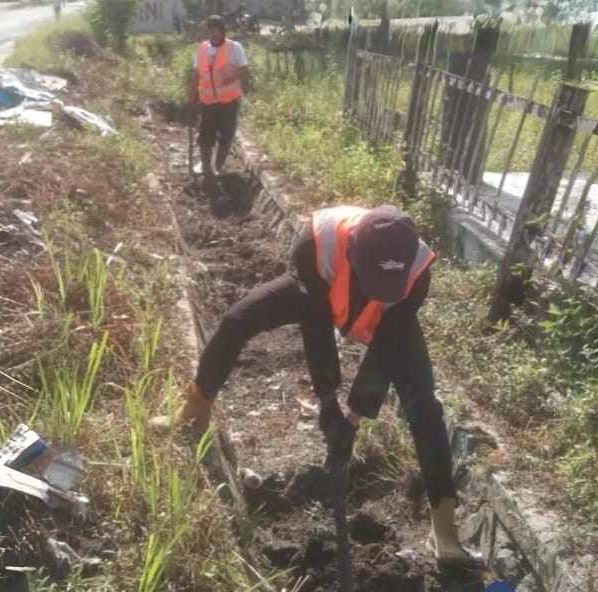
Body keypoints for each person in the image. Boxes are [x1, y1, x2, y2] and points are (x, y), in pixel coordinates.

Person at [152, 204, 478, 566]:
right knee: (235, 321)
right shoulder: (318, 243)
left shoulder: (417, 273)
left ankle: (444, 529)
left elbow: (384, 353)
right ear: (353, 251)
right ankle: (193, 411)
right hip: (320, 296)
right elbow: (316, 327)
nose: (379, 293)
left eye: (388, 286)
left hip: (386, 328)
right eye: (373, 280)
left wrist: (351, 422)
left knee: (426, 410)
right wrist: (327, 401)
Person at [189, 15, 248, 179]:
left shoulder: (234, 47)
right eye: (211, 30)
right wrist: (191, 96)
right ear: (207, 32)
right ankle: (206, 165)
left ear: (223, 31)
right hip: (208, 101)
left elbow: (244, 68)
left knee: (226, 134)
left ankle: (218, 165)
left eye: (217, 30)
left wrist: (231, 77)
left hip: (228, 102)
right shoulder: (201, 49)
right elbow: (196, 75)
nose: (214, 34)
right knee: (206, 134)